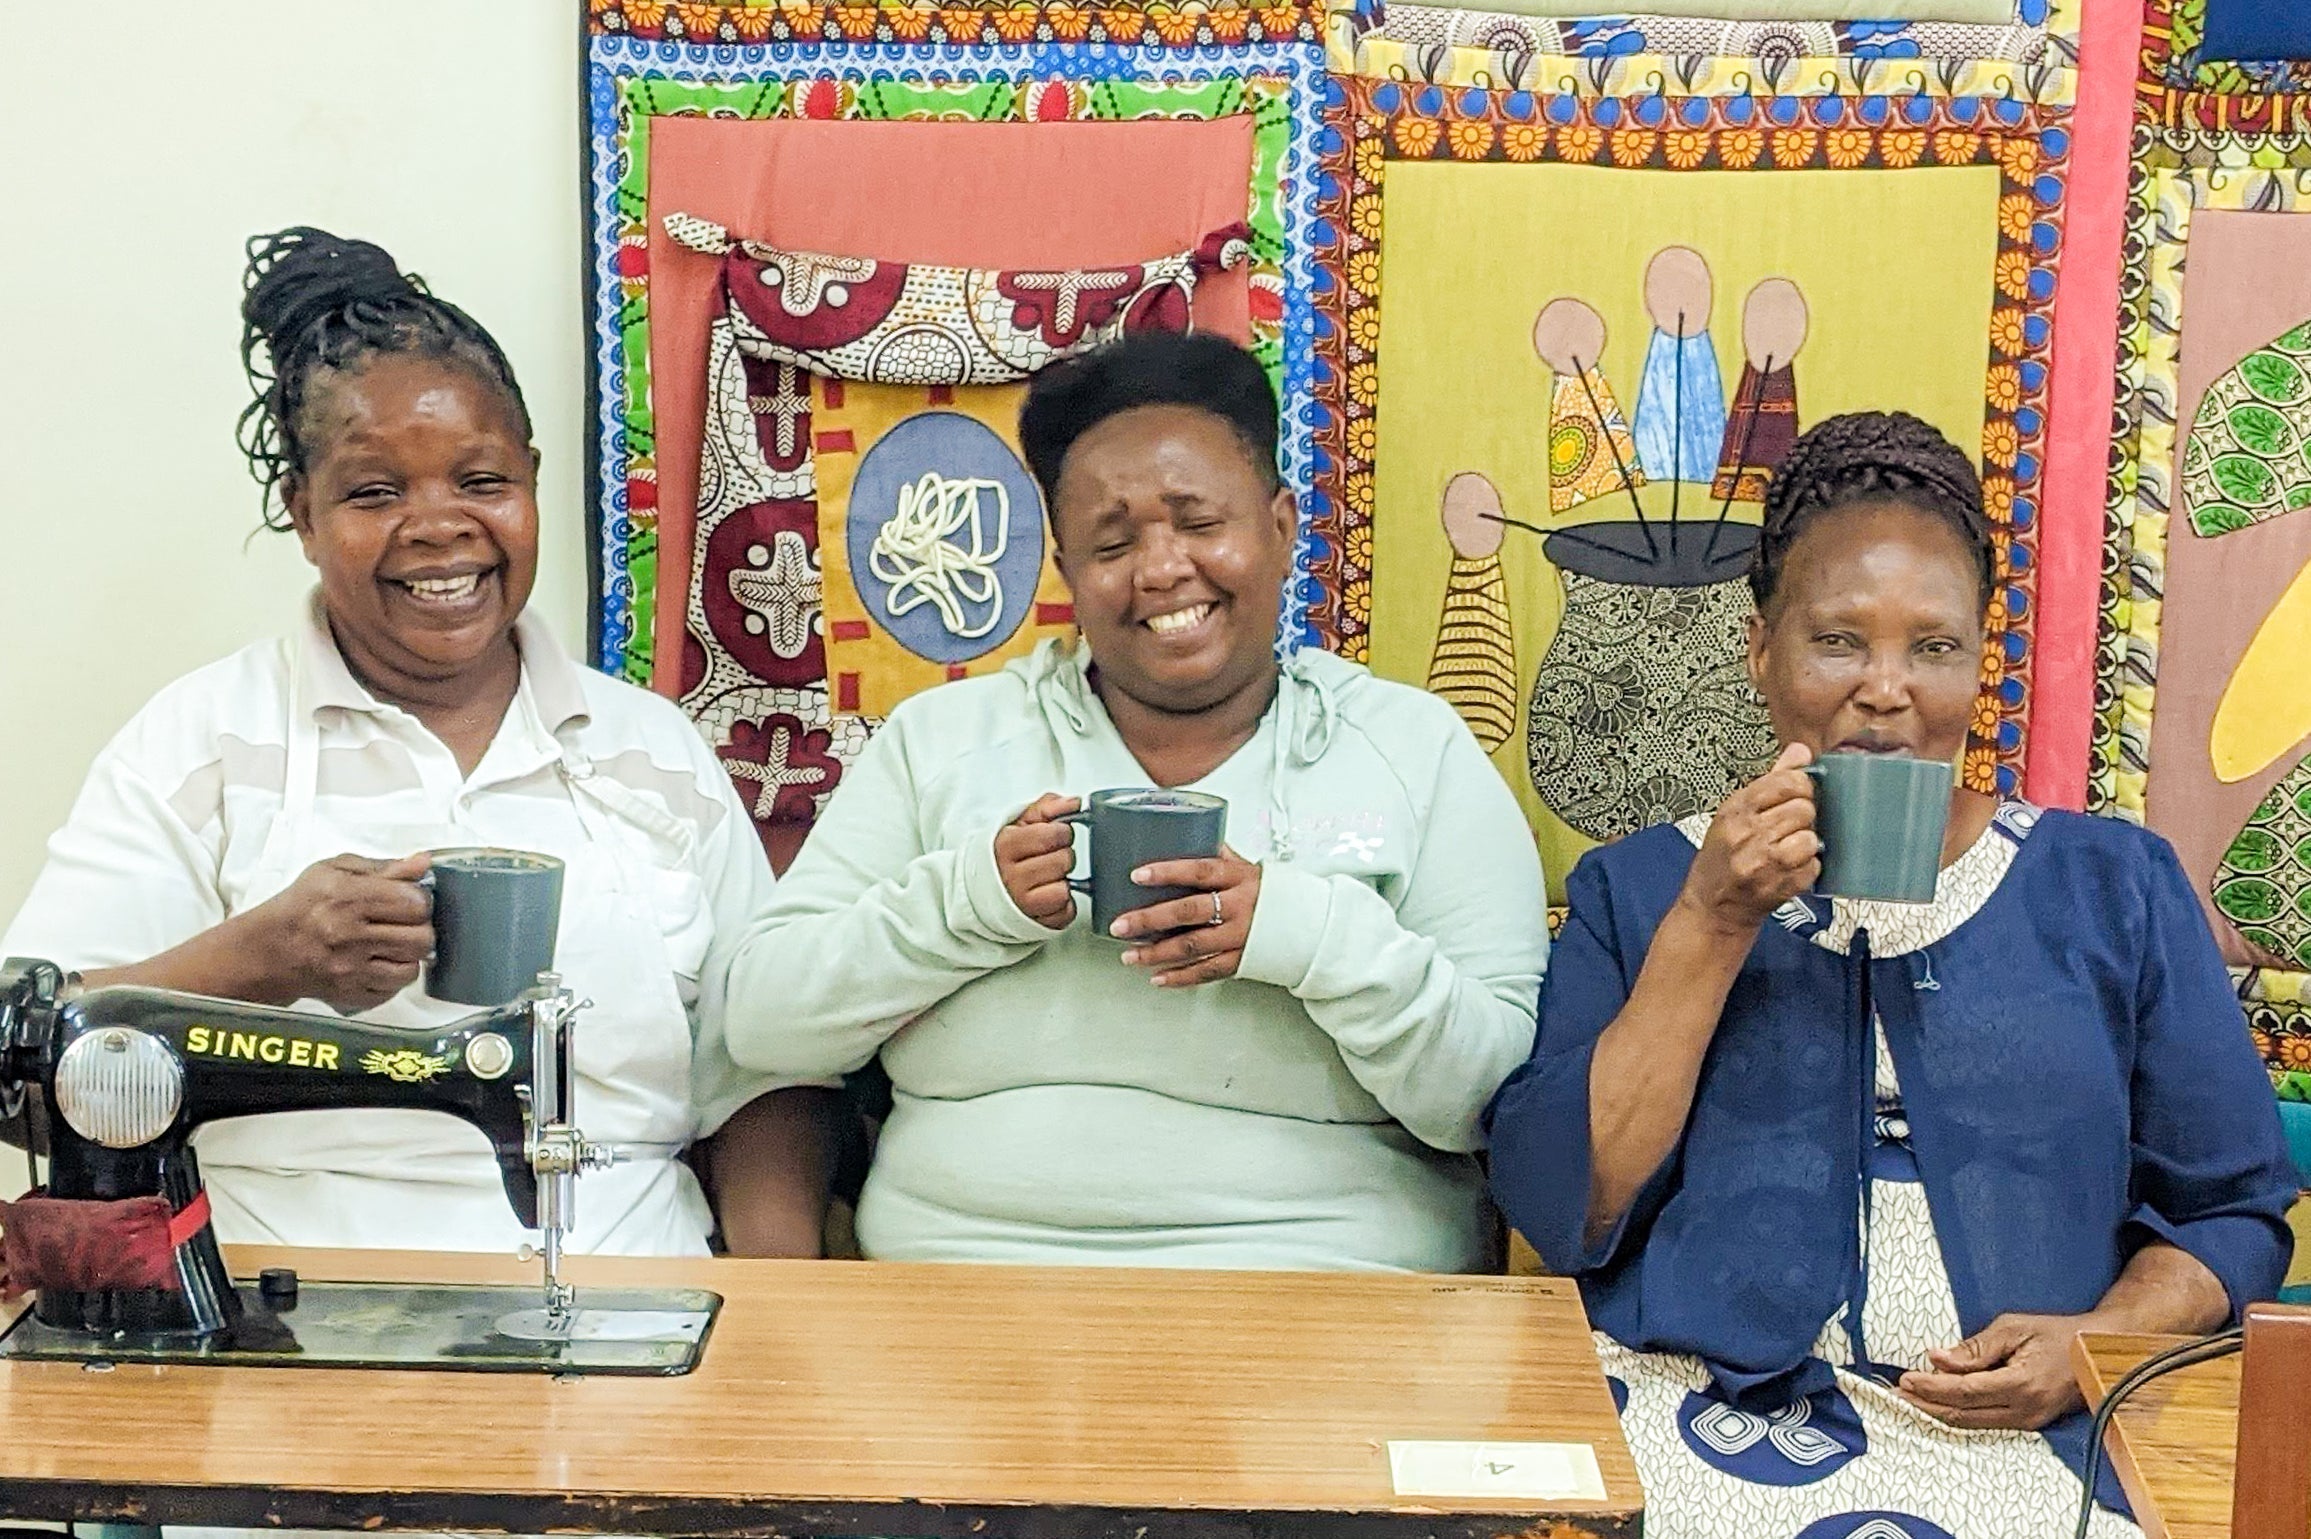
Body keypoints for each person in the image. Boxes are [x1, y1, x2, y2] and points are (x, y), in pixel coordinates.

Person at [1485, 412, 2299, 1539]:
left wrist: (2099, 1341)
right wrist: (1714, 920)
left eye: (1931, 646)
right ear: (1759, 647)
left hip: (2045, 1441)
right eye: (1836, 641)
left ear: (1979, 663)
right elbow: (1561, 1210)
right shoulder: (1643, 889)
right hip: (1697, 1422)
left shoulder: (2112, 887)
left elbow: (2234, 1210)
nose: (1885, 688)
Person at [3, 228, 833, 1258]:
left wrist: (778, 1318)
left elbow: (762, 1073)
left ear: (531, 482)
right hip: (284, 1332)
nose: (438, 526)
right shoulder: (202, 744)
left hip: (629, 1311)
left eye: (480, 482)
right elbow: (23, 1073)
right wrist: (264, 958)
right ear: (301, 515)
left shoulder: (652, 756)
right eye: (373, 492)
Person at [723, 332, 1546, 1270]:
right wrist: (965, 907)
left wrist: (1310, 936)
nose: (1159, 571)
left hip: (1329, 1292)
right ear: (1067, 569)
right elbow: (761, 1021)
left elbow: (1498, 1100)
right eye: (1112, 543)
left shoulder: (1414, 748)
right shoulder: (942, 741)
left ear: (1280, 527)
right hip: (962, 1291)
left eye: (1198, 524)